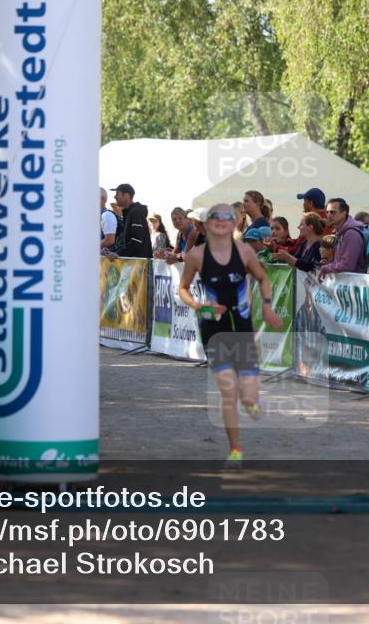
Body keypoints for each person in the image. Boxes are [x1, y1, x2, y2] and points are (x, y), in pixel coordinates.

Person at [177, 204, 283, 469]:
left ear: (235, 223)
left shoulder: (245, 251)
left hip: (242, 326)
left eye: (228, 218)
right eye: (217, 218)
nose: (222, 222)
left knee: (246, 397)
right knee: (227, 390)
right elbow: (183, 288)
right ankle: (235, 450)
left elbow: (263, 278)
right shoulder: (196, 256)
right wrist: (199, 306)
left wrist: (267, 305)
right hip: (214, 327)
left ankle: (253, 401)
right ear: (207, 224)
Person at [319, 198, 366, 279]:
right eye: (327, 212)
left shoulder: (351, 233)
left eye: (332, 212)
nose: (328, 215)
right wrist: (329, 264)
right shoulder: (341, 232)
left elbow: (347, 265)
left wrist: (326, 268)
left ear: (344, 213)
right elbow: (340, 262)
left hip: (355, 286)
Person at [105, 183, 152, 259]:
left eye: (117, 194)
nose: (115, 196)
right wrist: (112, 251)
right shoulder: (130, 213)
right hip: (135, 265)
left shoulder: (135, 212)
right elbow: (127, 243)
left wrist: (118, 254)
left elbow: (136, 241)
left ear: (126, 195)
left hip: (140, 266)